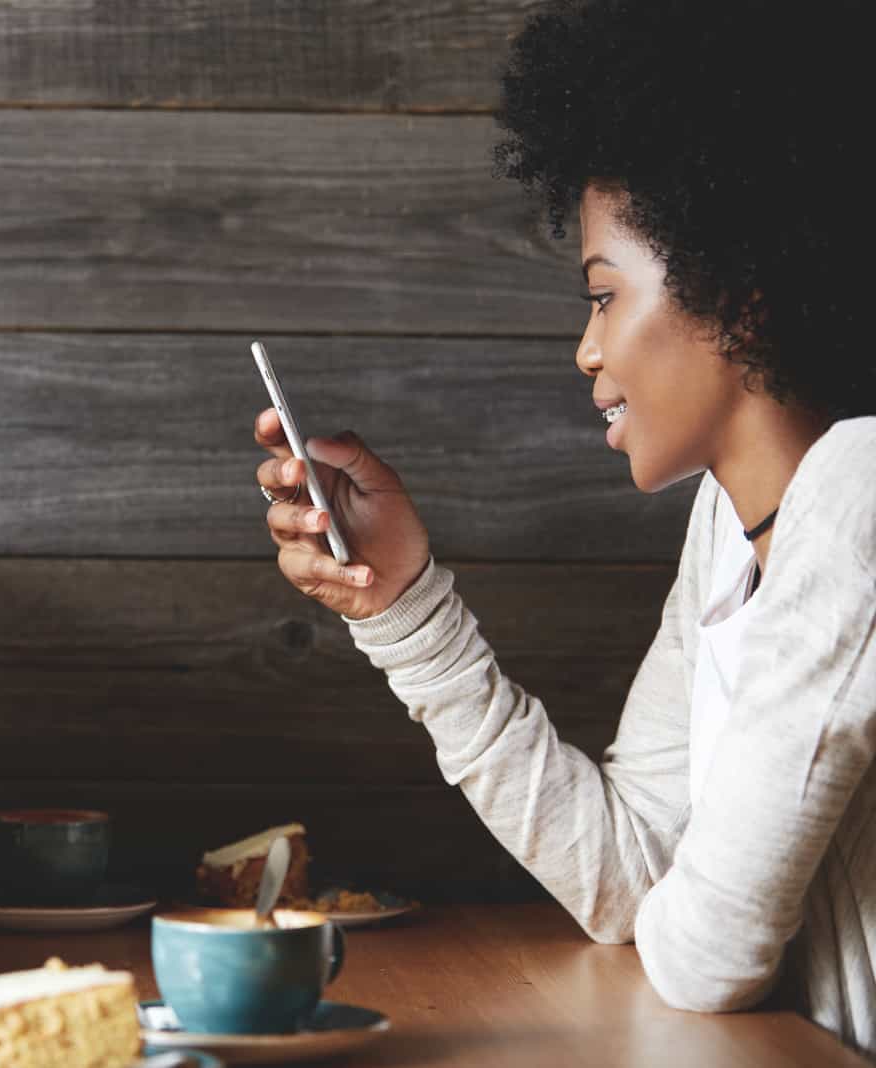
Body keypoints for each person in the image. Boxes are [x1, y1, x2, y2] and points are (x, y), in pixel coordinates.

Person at [254, 0, 873, 1056]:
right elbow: (625, 879)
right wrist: (406, 608)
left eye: (601, 296)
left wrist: (684, 900)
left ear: (743, 297)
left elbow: (705, 956)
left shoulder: (859, 491)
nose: (586, 351)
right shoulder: (729, 530)